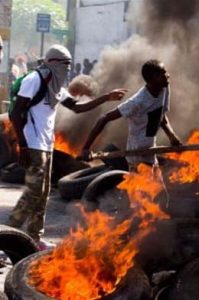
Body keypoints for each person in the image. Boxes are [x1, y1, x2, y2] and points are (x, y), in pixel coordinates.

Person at [7, 44, 127, 250]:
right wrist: (24, 146)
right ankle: (6, 239)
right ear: (54, 63)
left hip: (46, 145)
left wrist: (106, 97)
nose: (68, 69)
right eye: (65, 64)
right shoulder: (33, 80)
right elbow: (17, 112)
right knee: (33, 193)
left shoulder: (55, 86)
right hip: (32, 145)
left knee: (43, 194)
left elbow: (77, 107)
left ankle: (35, 237)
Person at [80, 59, 181, 205]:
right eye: (163, 73)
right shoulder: (138, 101)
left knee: (161, 198)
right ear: (152, 78)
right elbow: (104, 118)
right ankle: (132, 224)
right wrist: (86, 148)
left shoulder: (164, 88)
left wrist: (172, 136)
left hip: (150, 152)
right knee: (143, 202)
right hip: (137, 155)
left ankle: (139, 221)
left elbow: (161, 116)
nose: (168, 75)